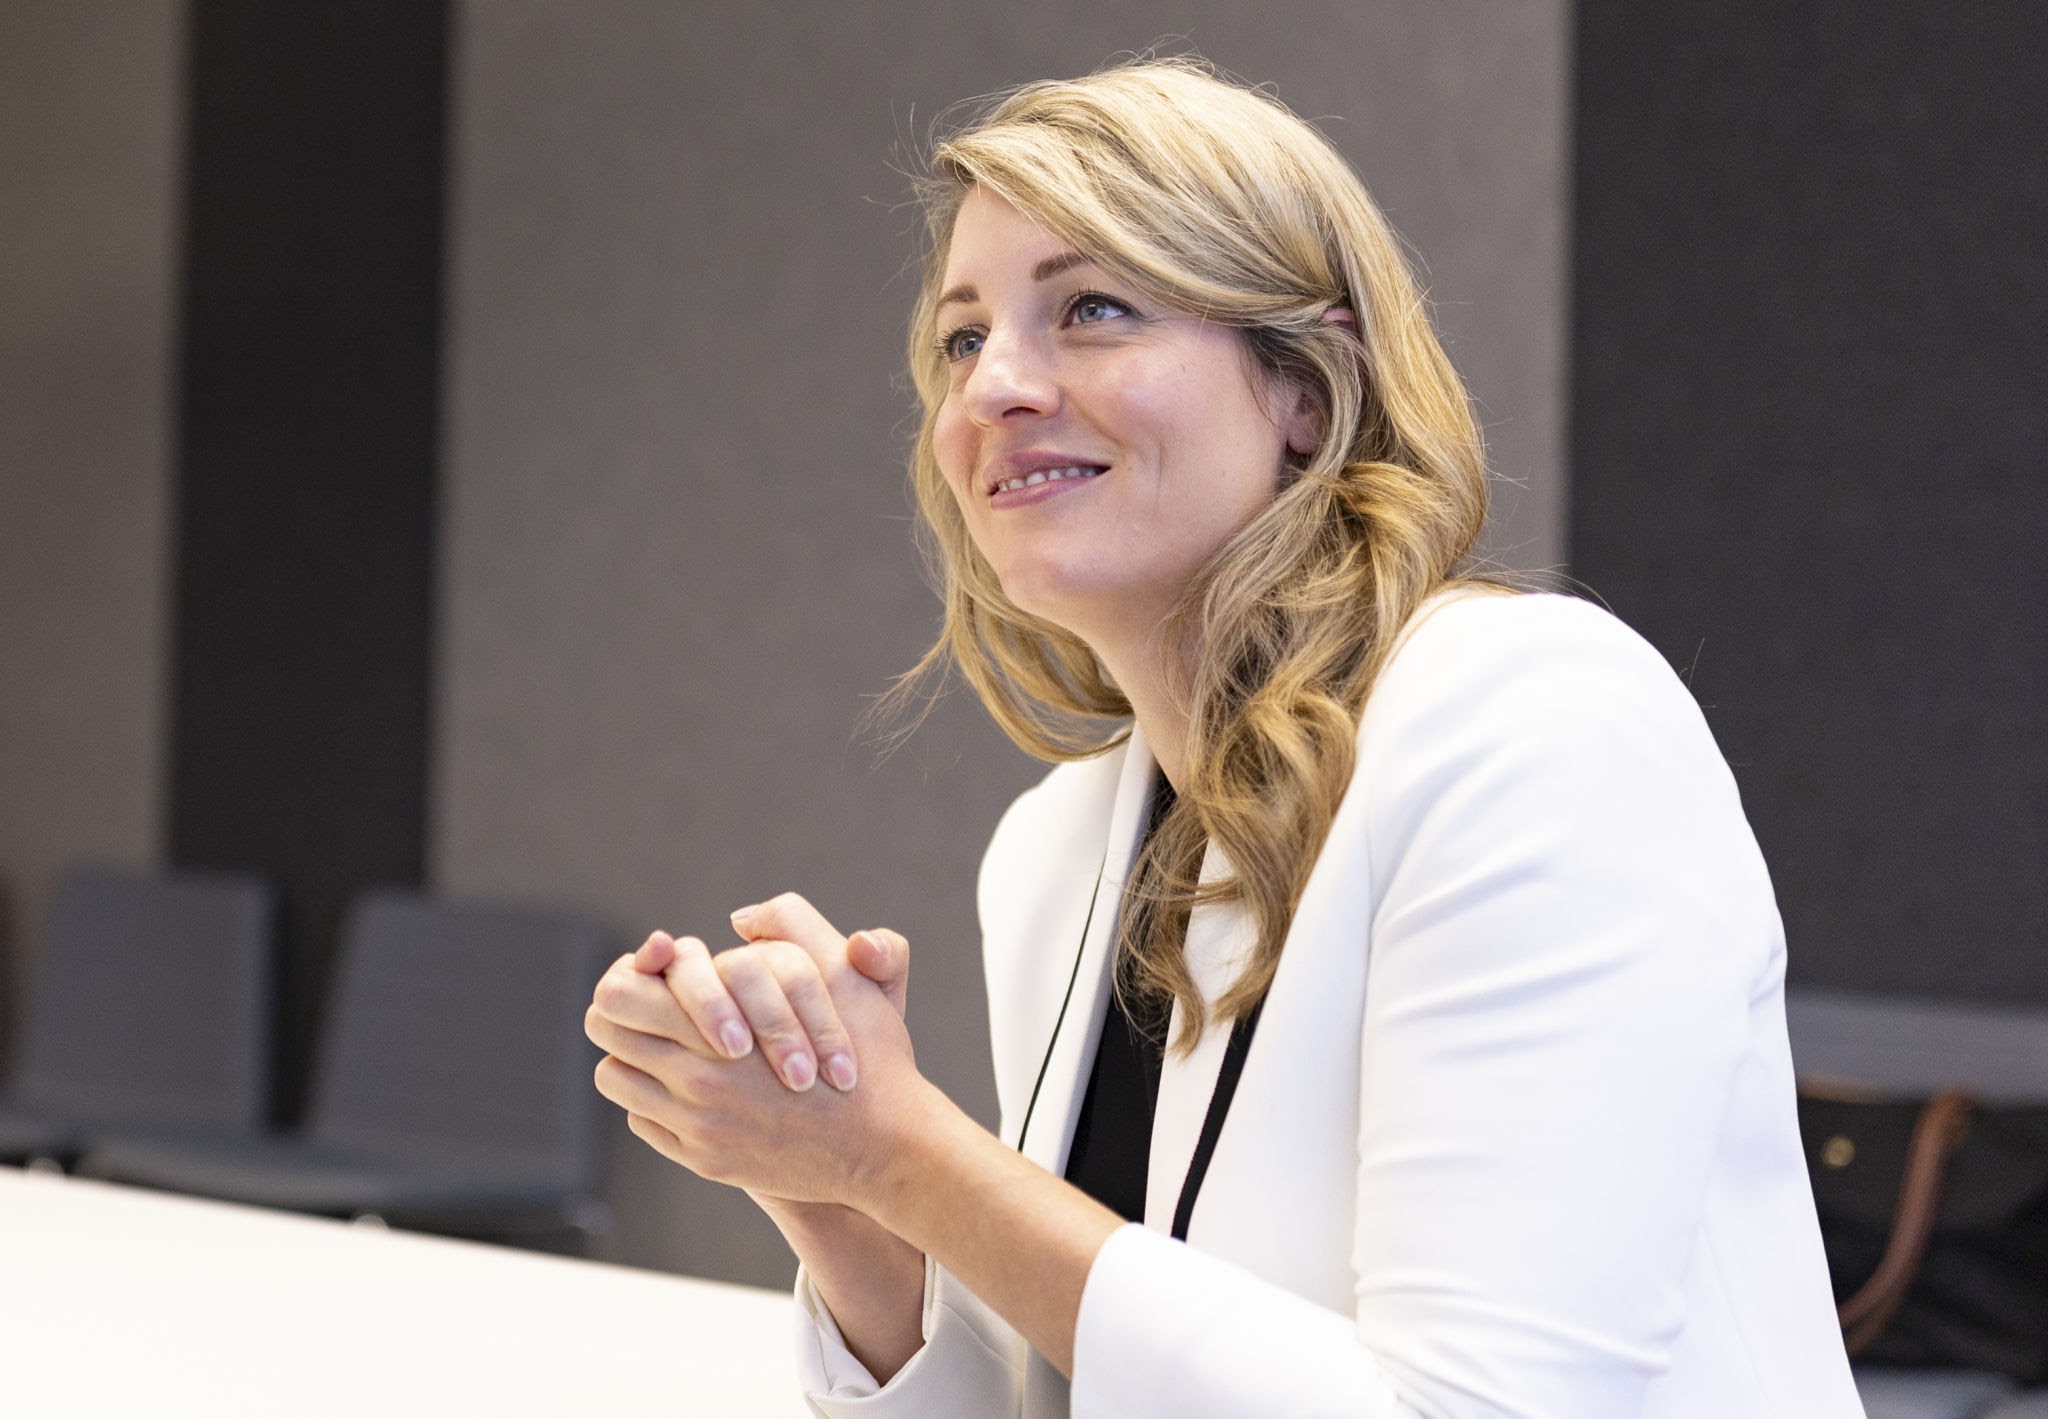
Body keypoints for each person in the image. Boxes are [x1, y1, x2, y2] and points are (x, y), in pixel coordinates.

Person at [583, 57, 1866, 1418]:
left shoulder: (1537, 729)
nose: (993, 386)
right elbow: (1080, 1388)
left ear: (1306, 385)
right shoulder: (1059, 848)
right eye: (962, 339)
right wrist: (834, 1190)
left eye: (1092, 308)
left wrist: (903, 1156)